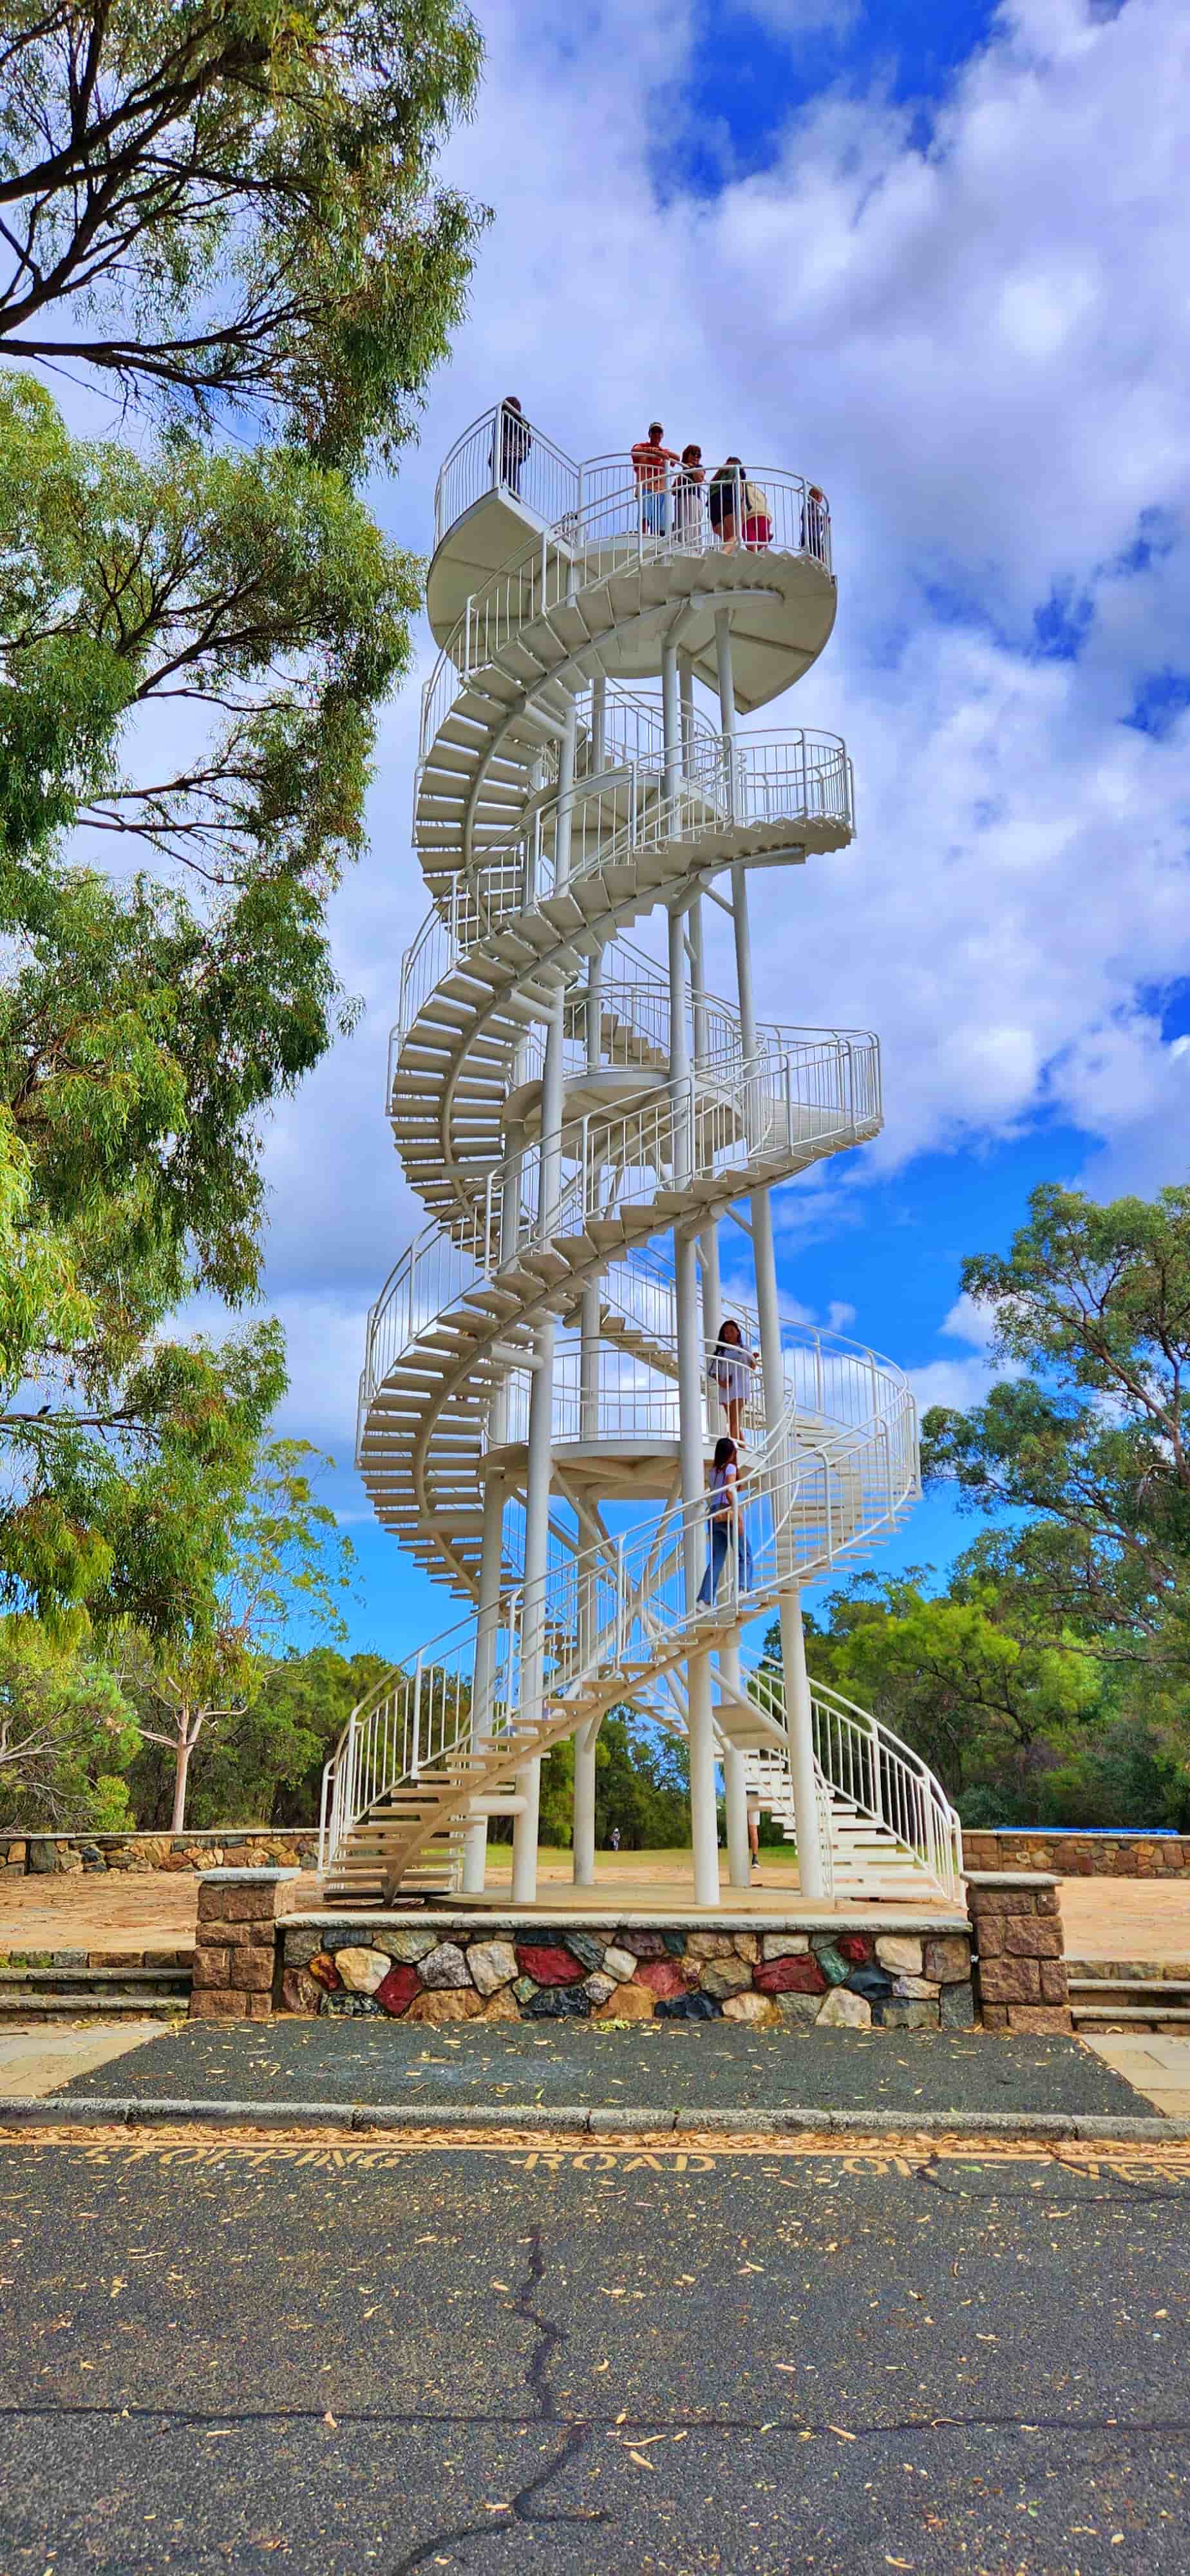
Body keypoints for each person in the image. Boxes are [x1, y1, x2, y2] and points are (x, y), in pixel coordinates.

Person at [697, 1436, 754, 1608]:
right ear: (731, 1453)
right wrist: (737, 1514)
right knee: (745, 1554)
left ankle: (704, 1600)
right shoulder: (730, 1468)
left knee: (717, 1559)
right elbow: (729, 1491)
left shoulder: (712, 1472)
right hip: (726, 1509)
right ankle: (742, 1588)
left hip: (714, 1512)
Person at [708, 1317, 757, 1444]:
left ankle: (732, 1448)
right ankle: (742, 1448)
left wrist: (754, 1359)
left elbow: (751, 1367)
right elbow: (713, 1371)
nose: (728, 1334)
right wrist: (720, 1382)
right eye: (726, 1332)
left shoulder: (744, 1348)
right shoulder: (721, 1351)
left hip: (740, 1387)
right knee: (732, 1421)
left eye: (731, 1331)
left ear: (738, 1332)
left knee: (734, 1420)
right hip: (726, 1387)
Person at [632, 421, 677, 536]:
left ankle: (657, 540)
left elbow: (677, 457)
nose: (657, 434)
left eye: (659, 432)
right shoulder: (642, 447)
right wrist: (649, 451)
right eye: (654, 431)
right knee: (645, 514)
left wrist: (660, 453)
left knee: (660, 520)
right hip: (646, 488)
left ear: (662, 435)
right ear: (650, 434)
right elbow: (635, 450)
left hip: (661, 491)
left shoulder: (664, 451)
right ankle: (643, 536)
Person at [492, 396, 531, 497]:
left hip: (513, 454)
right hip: (505, 453)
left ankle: (512, 497)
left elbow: (528, 437)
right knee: (503, 479)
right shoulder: (502, 418)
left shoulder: (518, 419)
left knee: (510, 479)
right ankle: (507, 495)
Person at [672, 442, 705, 543]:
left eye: (698, 455)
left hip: (693, 498)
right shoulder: (683, 471)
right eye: (693, 454)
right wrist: (685, 471)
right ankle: (682, 545)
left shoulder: (699, 467)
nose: (696, 457)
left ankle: (692, 547)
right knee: (682, 525)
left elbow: (699, 480)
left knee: (692, 526)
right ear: (687, 455)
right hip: (681, 499)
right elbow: (674, 490)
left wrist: (692, 468)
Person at [708, 457, 744, 551]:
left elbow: (711, 484)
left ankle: (724, 554)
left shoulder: (718, 479)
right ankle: (723, 554)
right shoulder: (736, 471)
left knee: (727, 540)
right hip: (727, 501)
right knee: (735, 536)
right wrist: (740, 504)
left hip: (714, 505)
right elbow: (739, 485)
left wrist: (721, 469)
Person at [741, 472, 772, 549]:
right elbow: (765, 499)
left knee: (751, 543)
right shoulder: (758, 490)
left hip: (749, 515)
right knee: (762, 546)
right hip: (765, 515)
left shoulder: (740, 487)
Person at [802, 482, 829, 563]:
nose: (816, 499)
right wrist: (820, 518)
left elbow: (819, 528)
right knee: (811, 558)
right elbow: (806, 517)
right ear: (811, 497)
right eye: (815, 497)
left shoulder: (817, 511)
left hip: (816, 539)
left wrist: (825, 523)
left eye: (818, 497)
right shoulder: (807, 506)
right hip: (808, 538)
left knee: (822, 558)